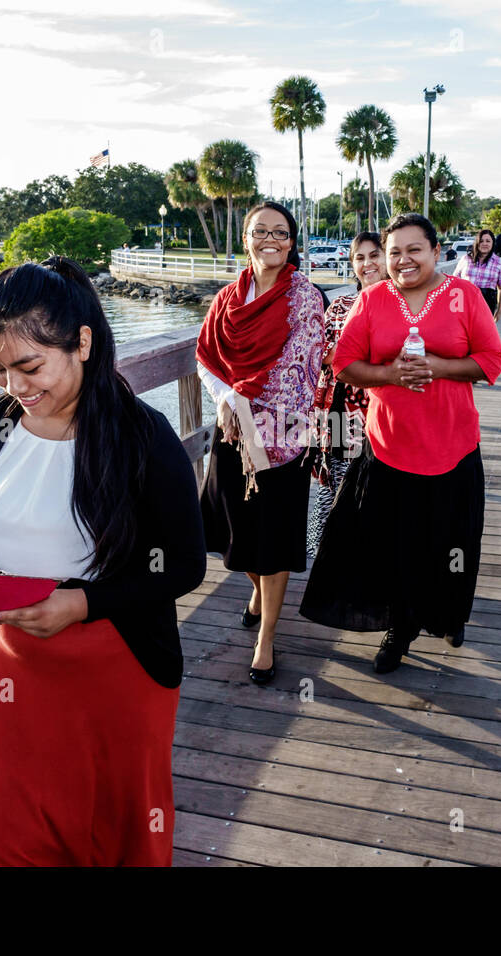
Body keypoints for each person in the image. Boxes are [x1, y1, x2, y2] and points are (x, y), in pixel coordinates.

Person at [0, 256, 207, 867]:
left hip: (120, 663)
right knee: (8, 832)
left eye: (30, 366)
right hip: (18, 665)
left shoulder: (143, 436)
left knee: (110, 831)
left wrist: (82, 602)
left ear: (82, 343)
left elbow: (185, 563)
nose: (15, 387)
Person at [300, 213, 501, 674]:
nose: (402, 260)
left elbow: (492, 359)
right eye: (394, 252)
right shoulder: (372, 300)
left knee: (452, 542)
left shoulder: (464, 295)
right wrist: (391, 374)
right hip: (389, 446)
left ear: (437, 251)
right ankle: (400, 627)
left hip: (452, 446)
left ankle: (449, 615)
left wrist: (438, 366)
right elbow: (346, 362)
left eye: (414, 249)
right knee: (396, 544)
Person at [196, 201, 325, 685]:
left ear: (292, 242)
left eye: (281, 232)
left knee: (273, 541)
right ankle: (254, 591)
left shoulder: (305, 298)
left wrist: (248, 406)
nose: (270, 239)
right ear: (245, 239)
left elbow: (300, 368)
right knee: (236, 535)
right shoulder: (227, 299)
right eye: (260, 231)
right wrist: (229, 397)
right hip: (232, 433)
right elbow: (205, 355)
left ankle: (266, 638)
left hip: (283, 441)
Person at [307, 232, 386, 557]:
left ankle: (364, 562)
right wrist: (351, 352)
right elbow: (319, 353)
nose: (367, 264)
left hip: (381, 412)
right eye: (360, 258)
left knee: (373, 491)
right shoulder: (340, 304)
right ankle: (325, 557)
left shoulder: (402, 302)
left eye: (374, 255)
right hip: (338, 410)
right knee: (333, 487)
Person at [452, 228, 501, 322]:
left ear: (493, 243)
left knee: (482, 334)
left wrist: (499, 310)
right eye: (481, 241)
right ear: (477, 243)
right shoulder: (466, 259)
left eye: (488, 241)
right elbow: (454, 282)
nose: (484, 244)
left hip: (487, 303)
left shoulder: (499, 262)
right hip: (465, 302)